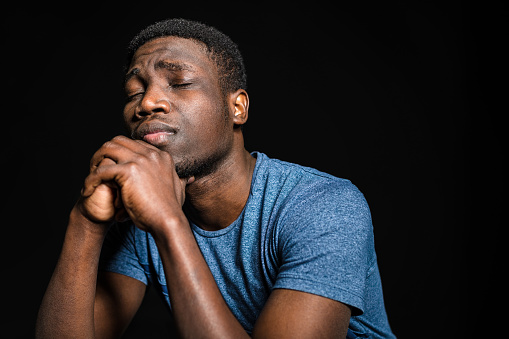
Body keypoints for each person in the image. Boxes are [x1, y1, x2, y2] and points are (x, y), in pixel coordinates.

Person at [36, 18, 395, 338]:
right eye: (134, 92)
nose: (146, 103)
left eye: (179, 82)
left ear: (236, 108)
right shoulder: (137, 214)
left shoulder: (324, 204)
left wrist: (168, 221)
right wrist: (86, 223)